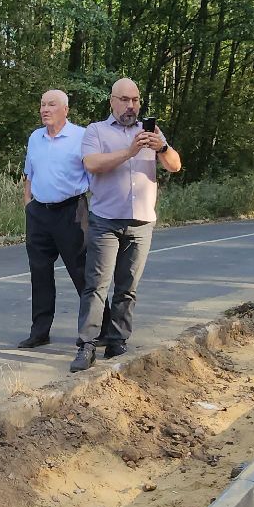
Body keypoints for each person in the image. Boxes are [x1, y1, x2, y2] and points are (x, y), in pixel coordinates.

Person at [71, 77, 181, 373]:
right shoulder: (96, 130)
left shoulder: (151, 131)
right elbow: (92, 164)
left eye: (135, 100)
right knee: (96, 285)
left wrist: (163, 147)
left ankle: (118, 340)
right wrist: (130, 151)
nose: (130, 106)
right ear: (112, 101)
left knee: (128, 287)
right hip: (105, 220)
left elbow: (175, 165)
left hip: (141, 222)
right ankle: (87, 344)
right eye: (124, 99)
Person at [18, 89, 89, 348]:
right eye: (42, 105)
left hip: (72, 211)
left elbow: (94, 173)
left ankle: (98, 328)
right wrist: (28, 202)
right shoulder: (35, 138)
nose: (45, 109)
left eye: (51, 105)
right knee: (40, 273)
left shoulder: (81, 136)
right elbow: (30, 173)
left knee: (82, 271)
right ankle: (40, 331)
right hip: (39, 213)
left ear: (65, 110)